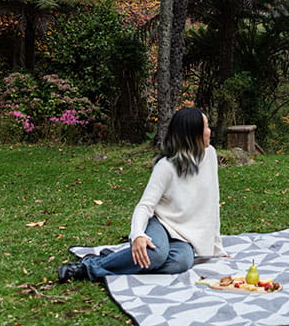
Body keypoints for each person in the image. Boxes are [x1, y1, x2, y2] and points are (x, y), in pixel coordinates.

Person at [57, 107, 225, 282]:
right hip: (159, 222)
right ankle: (87, 267)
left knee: (180, 262)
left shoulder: (210, 155)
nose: (209, 131)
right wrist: (137, 234)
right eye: (205, 127)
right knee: (156, 255)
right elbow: (145, 206)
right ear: (193, 134)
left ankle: (109, 259)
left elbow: (212, 202)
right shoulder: (166, 167)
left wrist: (217, 246)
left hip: (183, 233)